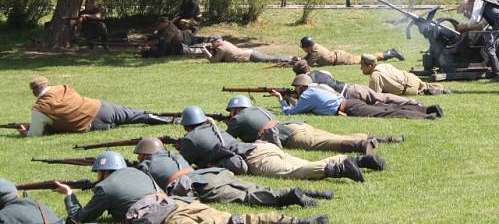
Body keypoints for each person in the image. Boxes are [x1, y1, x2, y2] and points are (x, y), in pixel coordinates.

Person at [52, 151, 322, 224]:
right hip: (181, 205)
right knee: (236, 219)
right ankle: (297, 221)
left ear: (102, 171)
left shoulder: (104, 188)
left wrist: (69, 195)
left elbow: (79, 218)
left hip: (170, 218)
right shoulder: (136, 173)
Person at [178, 106, 381, 183]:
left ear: (186, 126)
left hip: (255, 157)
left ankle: (339, 168)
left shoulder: (190, 139)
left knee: (297, 172)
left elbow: (184, 169)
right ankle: (359, 160)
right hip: (264, 147)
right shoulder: (215, 129)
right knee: (302, 162)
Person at [134, 137, 330, 208]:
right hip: (215, 173)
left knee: (246, 197)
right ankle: (310, 192)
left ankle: (289, 197)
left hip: (200, 185)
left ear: (144, 155)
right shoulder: (173, 156)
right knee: (254, 186)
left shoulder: (145, 166)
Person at [225, 95, 402, 153]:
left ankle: (361, 145)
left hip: (289, 134)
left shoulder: (237, 119)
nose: (230, 115)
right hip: (296, 124)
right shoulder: (259, 109)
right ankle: (382, 138)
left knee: (323, 143)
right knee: (333, 136)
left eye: (230, 112)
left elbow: (226, 140)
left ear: (235, 109)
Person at [17, 76, 173, 137]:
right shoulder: (63, 87)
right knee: (134, 114)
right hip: (101, 108)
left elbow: (35, 134)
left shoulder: (39, 109)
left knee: (125, 119)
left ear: (34, 92)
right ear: (47, 84)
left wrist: (25, 132)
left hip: (94, 126)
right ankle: (169, 119)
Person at [273, 75, 442, 120]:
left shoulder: (307, 95)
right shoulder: (317, 87)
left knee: (386, 113)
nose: (296, 90)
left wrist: (281, 99)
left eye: (296, 88)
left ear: (301, 87)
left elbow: (291, 113)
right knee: (388, 108)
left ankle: (426, 115)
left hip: (349, 107)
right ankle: (427, 109)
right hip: (348, 102)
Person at [293, 59, 422, 107]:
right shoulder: (321, 72)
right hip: (352, 88)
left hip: (349, 96)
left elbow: (309, 99)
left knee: (380, 104)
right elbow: (329, 77)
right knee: (383, 98)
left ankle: (411, 105)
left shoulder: (307, 82)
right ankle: (413, 103)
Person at [456, 0, 499, 81]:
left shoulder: (479, 1)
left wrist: (463, 26)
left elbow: (475, 19)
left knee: (490, 49)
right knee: (498, 50)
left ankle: (497, 75)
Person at [360, 54, 449, 96]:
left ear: (370, 66)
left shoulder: (375, 76)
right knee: (426, 87)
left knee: (422, 91)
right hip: (413, 78)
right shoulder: (384, 65)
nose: (361, 68)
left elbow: (375, 96)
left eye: (362, 65)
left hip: (409, 88)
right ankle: (441, 90)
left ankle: (431, 91)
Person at [298, 36, 404, 66]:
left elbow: (308, 64)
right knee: (365, 57)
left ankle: (390, 53)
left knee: (366, 59)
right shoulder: (313, 48)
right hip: (339, 55)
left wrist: (296, 62)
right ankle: (389, 52)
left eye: (303, 47)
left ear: (308, 47)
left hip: (343, 59)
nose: (303, 49)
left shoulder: (316, 52)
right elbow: (306, 58)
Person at [141, 16, 205, 58]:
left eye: (160, 24)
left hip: (186, 39)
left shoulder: (171, 29)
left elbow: (164, 41)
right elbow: (158, 36)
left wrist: (149, 43)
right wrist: (149, 37)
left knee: (199, 41)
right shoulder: (163, 28)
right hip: (182, 39)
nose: (159, 26)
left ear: (164, 23)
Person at [203, 35, 293, 64]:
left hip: (250, 56)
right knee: (271, 57)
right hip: (251, 53)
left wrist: (206, 52)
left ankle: (290, 59)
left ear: (218, 41)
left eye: (213, 42)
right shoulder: (225, 43)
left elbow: (215, 61)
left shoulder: (221, 48)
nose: (211, 44)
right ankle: (290, 58)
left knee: (271, 59)